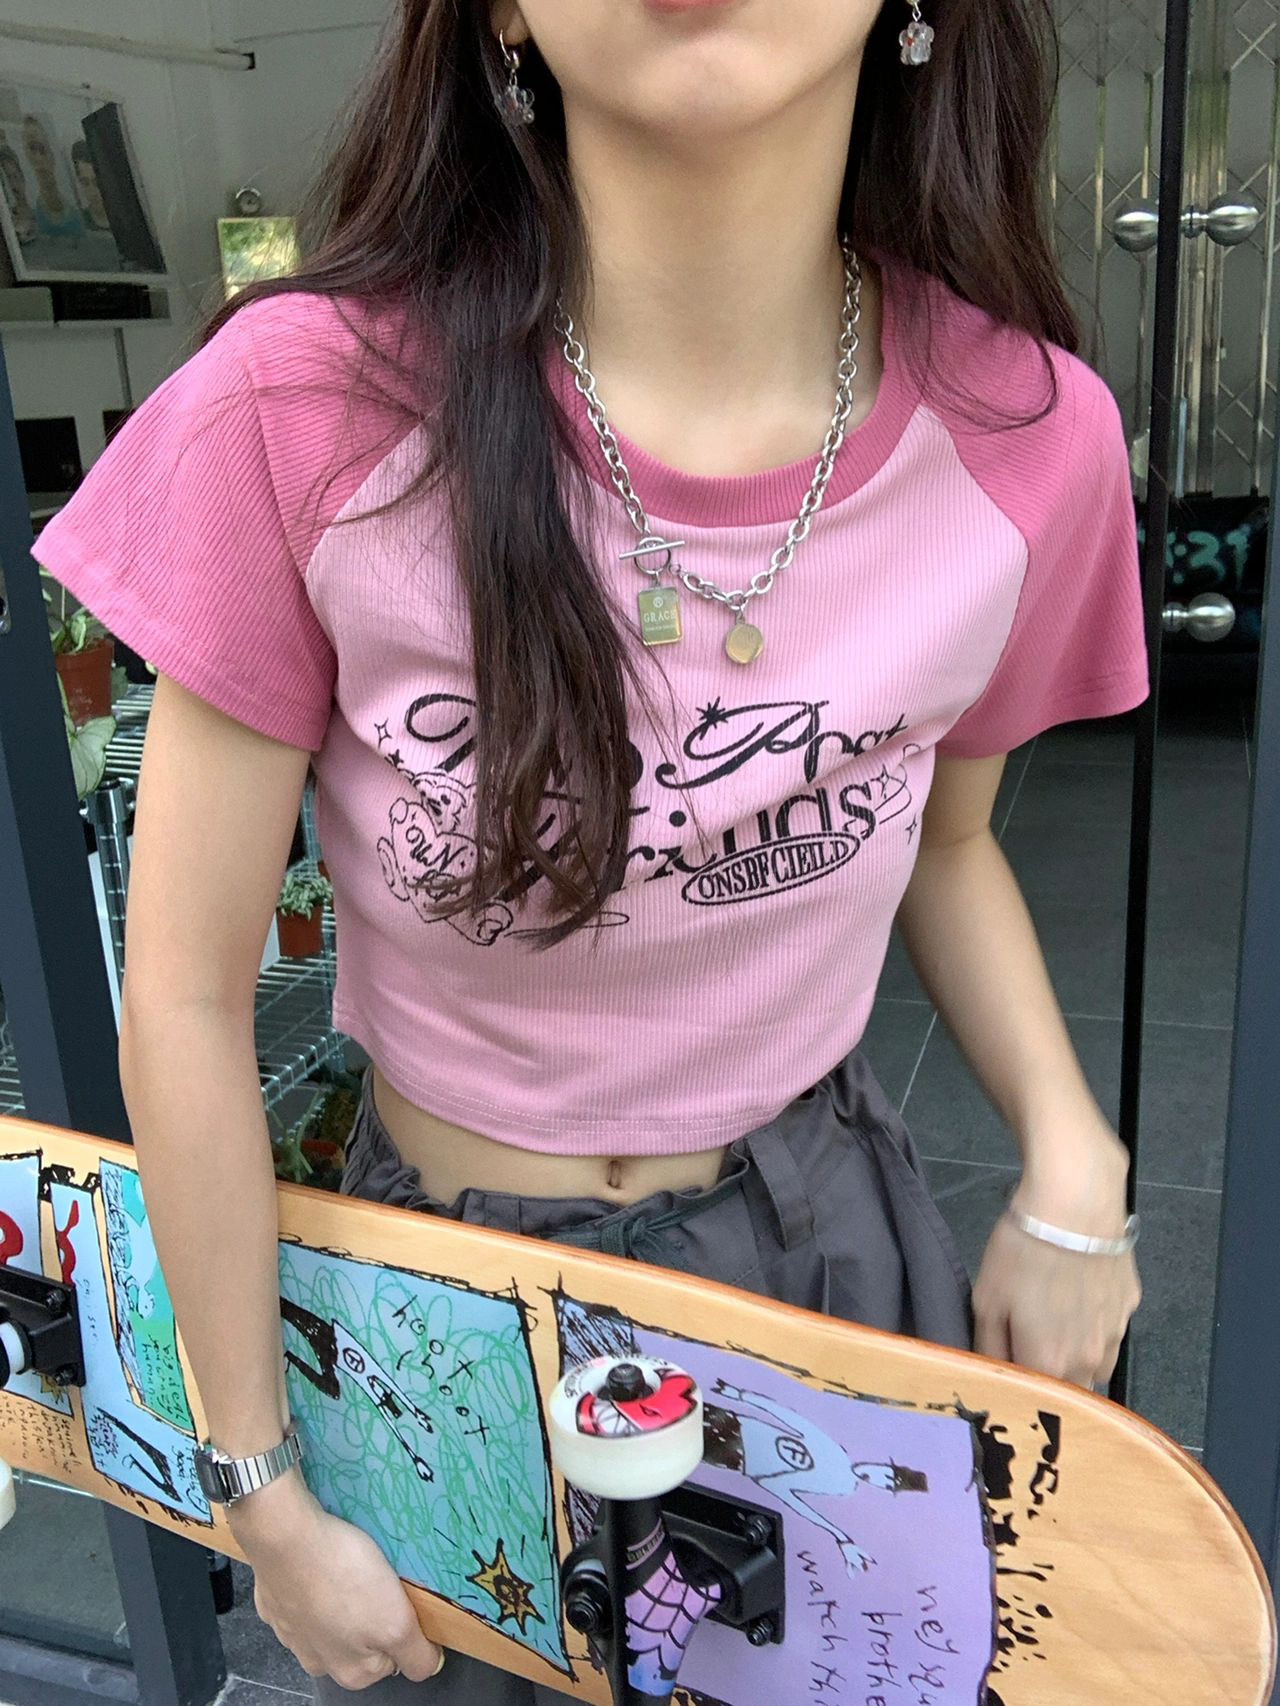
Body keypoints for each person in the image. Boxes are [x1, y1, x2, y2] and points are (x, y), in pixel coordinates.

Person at [31, 0, 1149, 1699]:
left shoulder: (1026, 438)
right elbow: (181, 993)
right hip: (442, 1301)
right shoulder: (305, 407)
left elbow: (950, 845)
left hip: (813, 1256)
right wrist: (257, 1484)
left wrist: (1071, 1155)